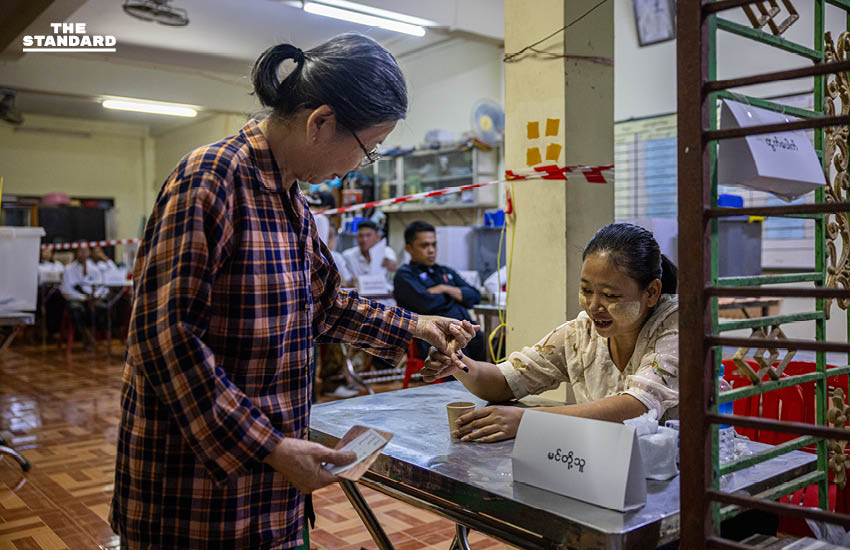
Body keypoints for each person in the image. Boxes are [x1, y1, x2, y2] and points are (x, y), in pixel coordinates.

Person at [110, 34, 477, 550]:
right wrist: (269, 446)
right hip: (195, 492)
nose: (359, 165)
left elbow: (326, 305)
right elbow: (164, 338)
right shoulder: (211, 179)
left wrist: (417, 325)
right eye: (367, 149)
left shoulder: (292, 202)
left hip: (268, 487)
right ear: (321, 121)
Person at [422, 223, 679, 443]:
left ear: (651, 292)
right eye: (586, 290)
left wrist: (527, 420)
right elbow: (506, 381)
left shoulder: (676, 326)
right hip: (608, 465)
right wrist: (458, 363)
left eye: (610, 295)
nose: (593, 306)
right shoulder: (581, 333)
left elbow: (636, 407)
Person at [393, 221, 486, 361]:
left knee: (487, 345)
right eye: (424, 245)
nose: (431, 250)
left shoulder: (444, 271)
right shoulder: (405, 275)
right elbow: (427, 303)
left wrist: (444, 289)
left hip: (465, 334)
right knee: (460, 359)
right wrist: (456, 296)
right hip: (433, 338)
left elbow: (475, 296)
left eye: (434, 245)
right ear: (409, 248)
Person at [60, 247, 108, 347]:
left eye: (86, 251)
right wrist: (84, 298)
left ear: (89, 252)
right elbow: (66, 290)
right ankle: (86, 335)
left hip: (93, 298)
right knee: (76, 309)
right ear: (76, 252)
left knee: (102, 308)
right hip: (76, 299)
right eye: (80, 251)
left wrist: (96, 296)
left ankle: (96, 334)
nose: (83, 253)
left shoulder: (95, 268)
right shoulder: (69, 269)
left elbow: (102, 286)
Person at [342, 219, 397, 284]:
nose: (364, 239)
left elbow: (394, 267)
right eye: (361, 235)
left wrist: (391, 265)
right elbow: (345, 281)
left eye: (368, 235)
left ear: (377, 237)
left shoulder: (386, 252)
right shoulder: (347, 256)